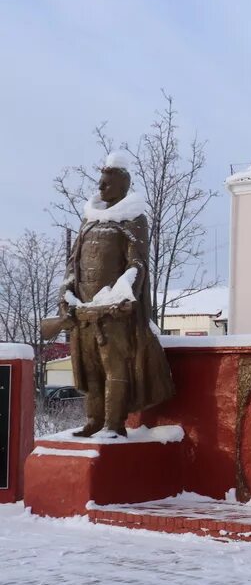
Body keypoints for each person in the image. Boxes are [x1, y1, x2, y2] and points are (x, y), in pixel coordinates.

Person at [59, 152, 173, 436]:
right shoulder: (89, 222)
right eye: (100, 182)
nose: (100, 187)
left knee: (115, 368)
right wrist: (67, 294)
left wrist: (123, 294)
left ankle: (113, 424)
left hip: (112, 312)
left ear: (123, 186)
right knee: (91, 369)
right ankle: (94, 420)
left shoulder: (132, 219)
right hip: (84, 310)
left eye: (107, 183)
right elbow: (72, 265)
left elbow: (137, 263)